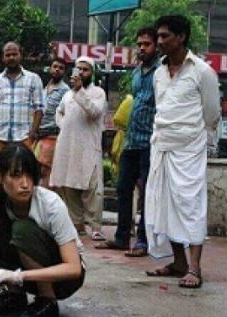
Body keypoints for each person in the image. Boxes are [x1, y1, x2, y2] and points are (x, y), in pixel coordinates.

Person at [144, 15, 220, 289]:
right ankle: (178, 263)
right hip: (161, 145)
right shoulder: (158, 73)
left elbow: (211, 114)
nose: (160, 41)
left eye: (165, 36)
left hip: (190, 148)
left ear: (181, 37)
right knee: (164, 204)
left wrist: (202, 143)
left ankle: (194, 268)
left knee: (190, 204)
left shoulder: (202, 71)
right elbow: (161, 108)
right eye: (159, 36)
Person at [0, 144, 85, 317]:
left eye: (30, 175)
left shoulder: (50, 204)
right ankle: (14, 297)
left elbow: (74, 268)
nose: (25, 184)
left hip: (64, 281)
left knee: (22, 229)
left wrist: (18, 276)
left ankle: (47, 300)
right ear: (0, 177)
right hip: (24, 278)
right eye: (16, 175)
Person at [94, 26, 159, 257]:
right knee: (123, 188)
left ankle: (142, 240)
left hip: (151, 141)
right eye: (139, 44)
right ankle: (122, 237)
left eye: (147, 44)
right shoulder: (137, 72)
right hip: (131, 141)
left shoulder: (161, 72)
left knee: (147, 193)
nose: (142, 48)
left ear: (156, 46)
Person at [50, 56, 107, 241]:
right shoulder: (67, 95)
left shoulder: (98, 92)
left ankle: (95, 226)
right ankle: (77, 223)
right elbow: (59, 112)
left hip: (88, 146)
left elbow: (94, 112)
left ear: (92, 73)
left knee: (92, 187)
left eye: (85, 70)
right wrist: (63, 124)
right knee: (69, 184)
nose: (81, 73)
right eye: (78, 69)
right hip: (68, 145)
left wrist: (79, 91)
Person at [0, 42, 44, 157]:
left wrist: (32, 134)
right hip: (0, 137)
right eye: (8, 55)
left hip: (24, 137)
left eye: (15, 54)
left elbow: (39, 109)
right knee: (0, 173)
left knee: (23, 173)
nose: (11, 57)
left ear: (21, 55)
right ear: (2, 58)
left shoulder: (33, 79)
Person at [34, 57, 69, 187]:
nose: (57, 70)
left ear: (64, 72)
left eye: (61, 68)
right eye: (55, 66)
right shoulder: (44, 89)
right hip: (39, 136)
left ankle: (45, 203)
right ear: (50, 68)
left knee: (45, 170)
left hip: (53, 135)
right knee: (37, 170)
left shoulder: (65, 91)